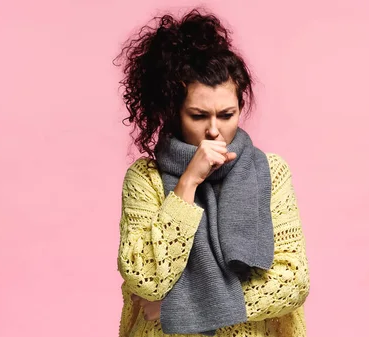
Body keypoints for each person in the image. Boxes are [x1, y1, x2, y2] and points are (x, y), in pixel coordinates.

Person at [114, 8, 310, 337]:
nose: (214, 130)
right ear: (174, 113)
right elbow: (144, 277)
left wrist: (179, 306)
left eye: (227, 114)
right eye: (198, 115)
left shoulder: (270, 173)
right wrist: (188, 182)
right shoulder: (145, 179)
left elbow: (292, 281)